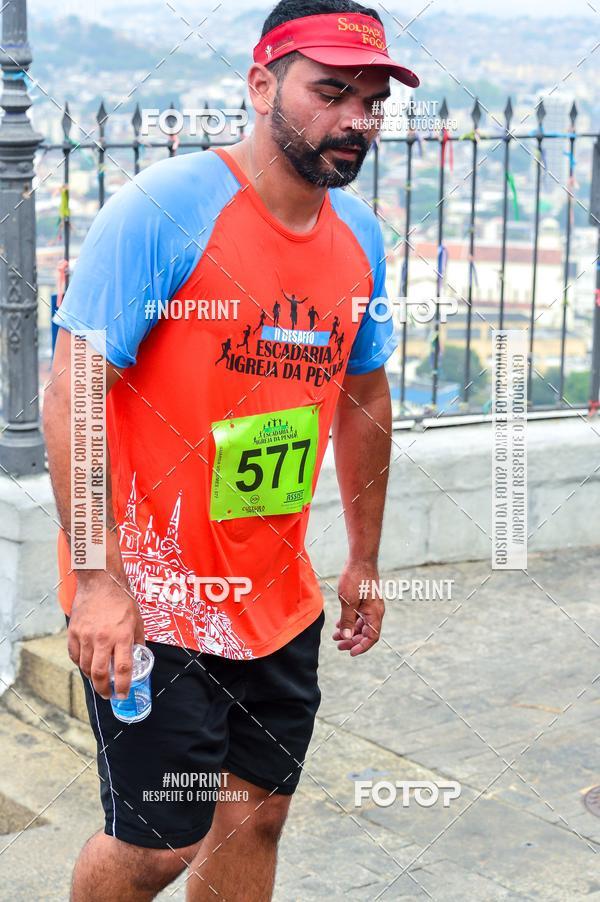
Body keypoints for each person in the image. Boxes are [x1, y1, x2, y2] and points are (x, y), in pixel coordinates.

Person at [43, 0, 419, 899]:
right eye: (331, 92)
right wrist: (99, 582)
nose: (354, 119)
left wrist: (363, 557)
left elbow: (362, 397)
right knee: (157, 844)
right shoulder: (166, 211)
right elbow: (73, 390)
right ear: (261, 85)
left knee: (256, 812)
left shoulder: (360, 240)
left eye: (371, 101)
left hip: (275, 598)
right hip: (154, 596)